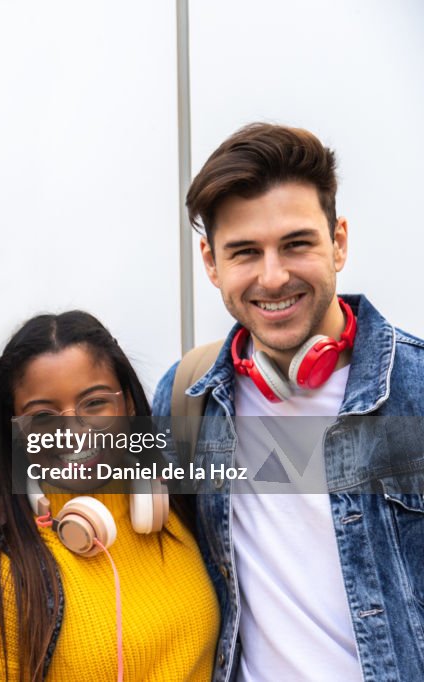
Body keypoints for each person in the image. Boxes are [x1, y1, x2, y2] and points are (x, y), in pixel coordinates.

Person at [152, 123, 424, 680]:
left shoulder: (416, 389)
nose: (273, 277)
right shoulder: (186, 395)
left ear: (338, 242)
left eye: (296, 244)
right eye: (245, 252)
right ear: (211, 263)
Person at [0, 311, 218, 681]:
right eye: (43, 415)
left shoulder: (179, 509)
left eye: (95, 403)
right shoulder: (7, 573)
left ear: (129, 406)